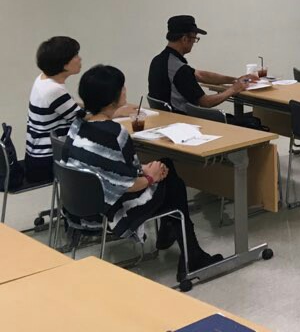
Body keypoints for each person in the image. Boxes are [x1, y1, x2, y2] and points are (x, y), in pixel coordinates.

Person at [63, 65, 224, 282]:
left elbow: (112, 169)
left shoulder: (78, 124)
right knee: (173, 182)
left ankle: (170, 231)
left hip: (80, 205)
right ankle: (191, 253)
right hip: (109, 211)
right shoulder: (115, 134)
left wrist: (145, 170)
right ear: (112, 99)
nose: (125, 90)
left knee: (165, 166)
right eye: (122, 88)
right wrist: (150, 176)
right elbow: (132, 184)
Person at [24, 37, 131, 184]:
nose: (80, 59)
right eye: (75, 56)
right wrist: (115, 111)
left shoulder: (43, 80)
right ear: (64, 64)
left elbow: (71, 107)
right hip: (47, 161)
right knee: (109, 155)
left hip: (36, 155)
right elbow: (86, 119)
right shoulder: (53, 90)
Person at [147, 16, 254, 118]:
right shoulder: (180, 70)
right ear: (185, 39)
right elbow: (206, 102)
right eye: (194, 38)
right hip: (182, 122)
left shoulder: (158, 60)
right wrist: (233, 89)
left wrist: (235, 80)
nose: (194, 42)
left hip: (164, 118)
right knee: (251, 122)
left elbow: (200, 75)